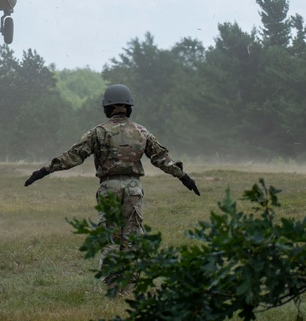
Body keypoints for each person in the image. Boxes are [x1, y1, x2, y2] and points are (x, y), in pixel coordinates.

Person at [23, 84, 200, 288]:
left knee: (110, 237)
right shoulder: (141, 132)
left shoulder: (99, 132)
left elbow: (73, 156)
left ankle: (112, 285)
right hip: (134, 189)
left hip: (109, 188)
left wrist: (43, 171)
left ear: (107, 108)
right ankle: (131, 284)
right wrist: (184, 177)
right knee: (132, 236)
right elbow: (163, 159)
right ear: (129, 107)